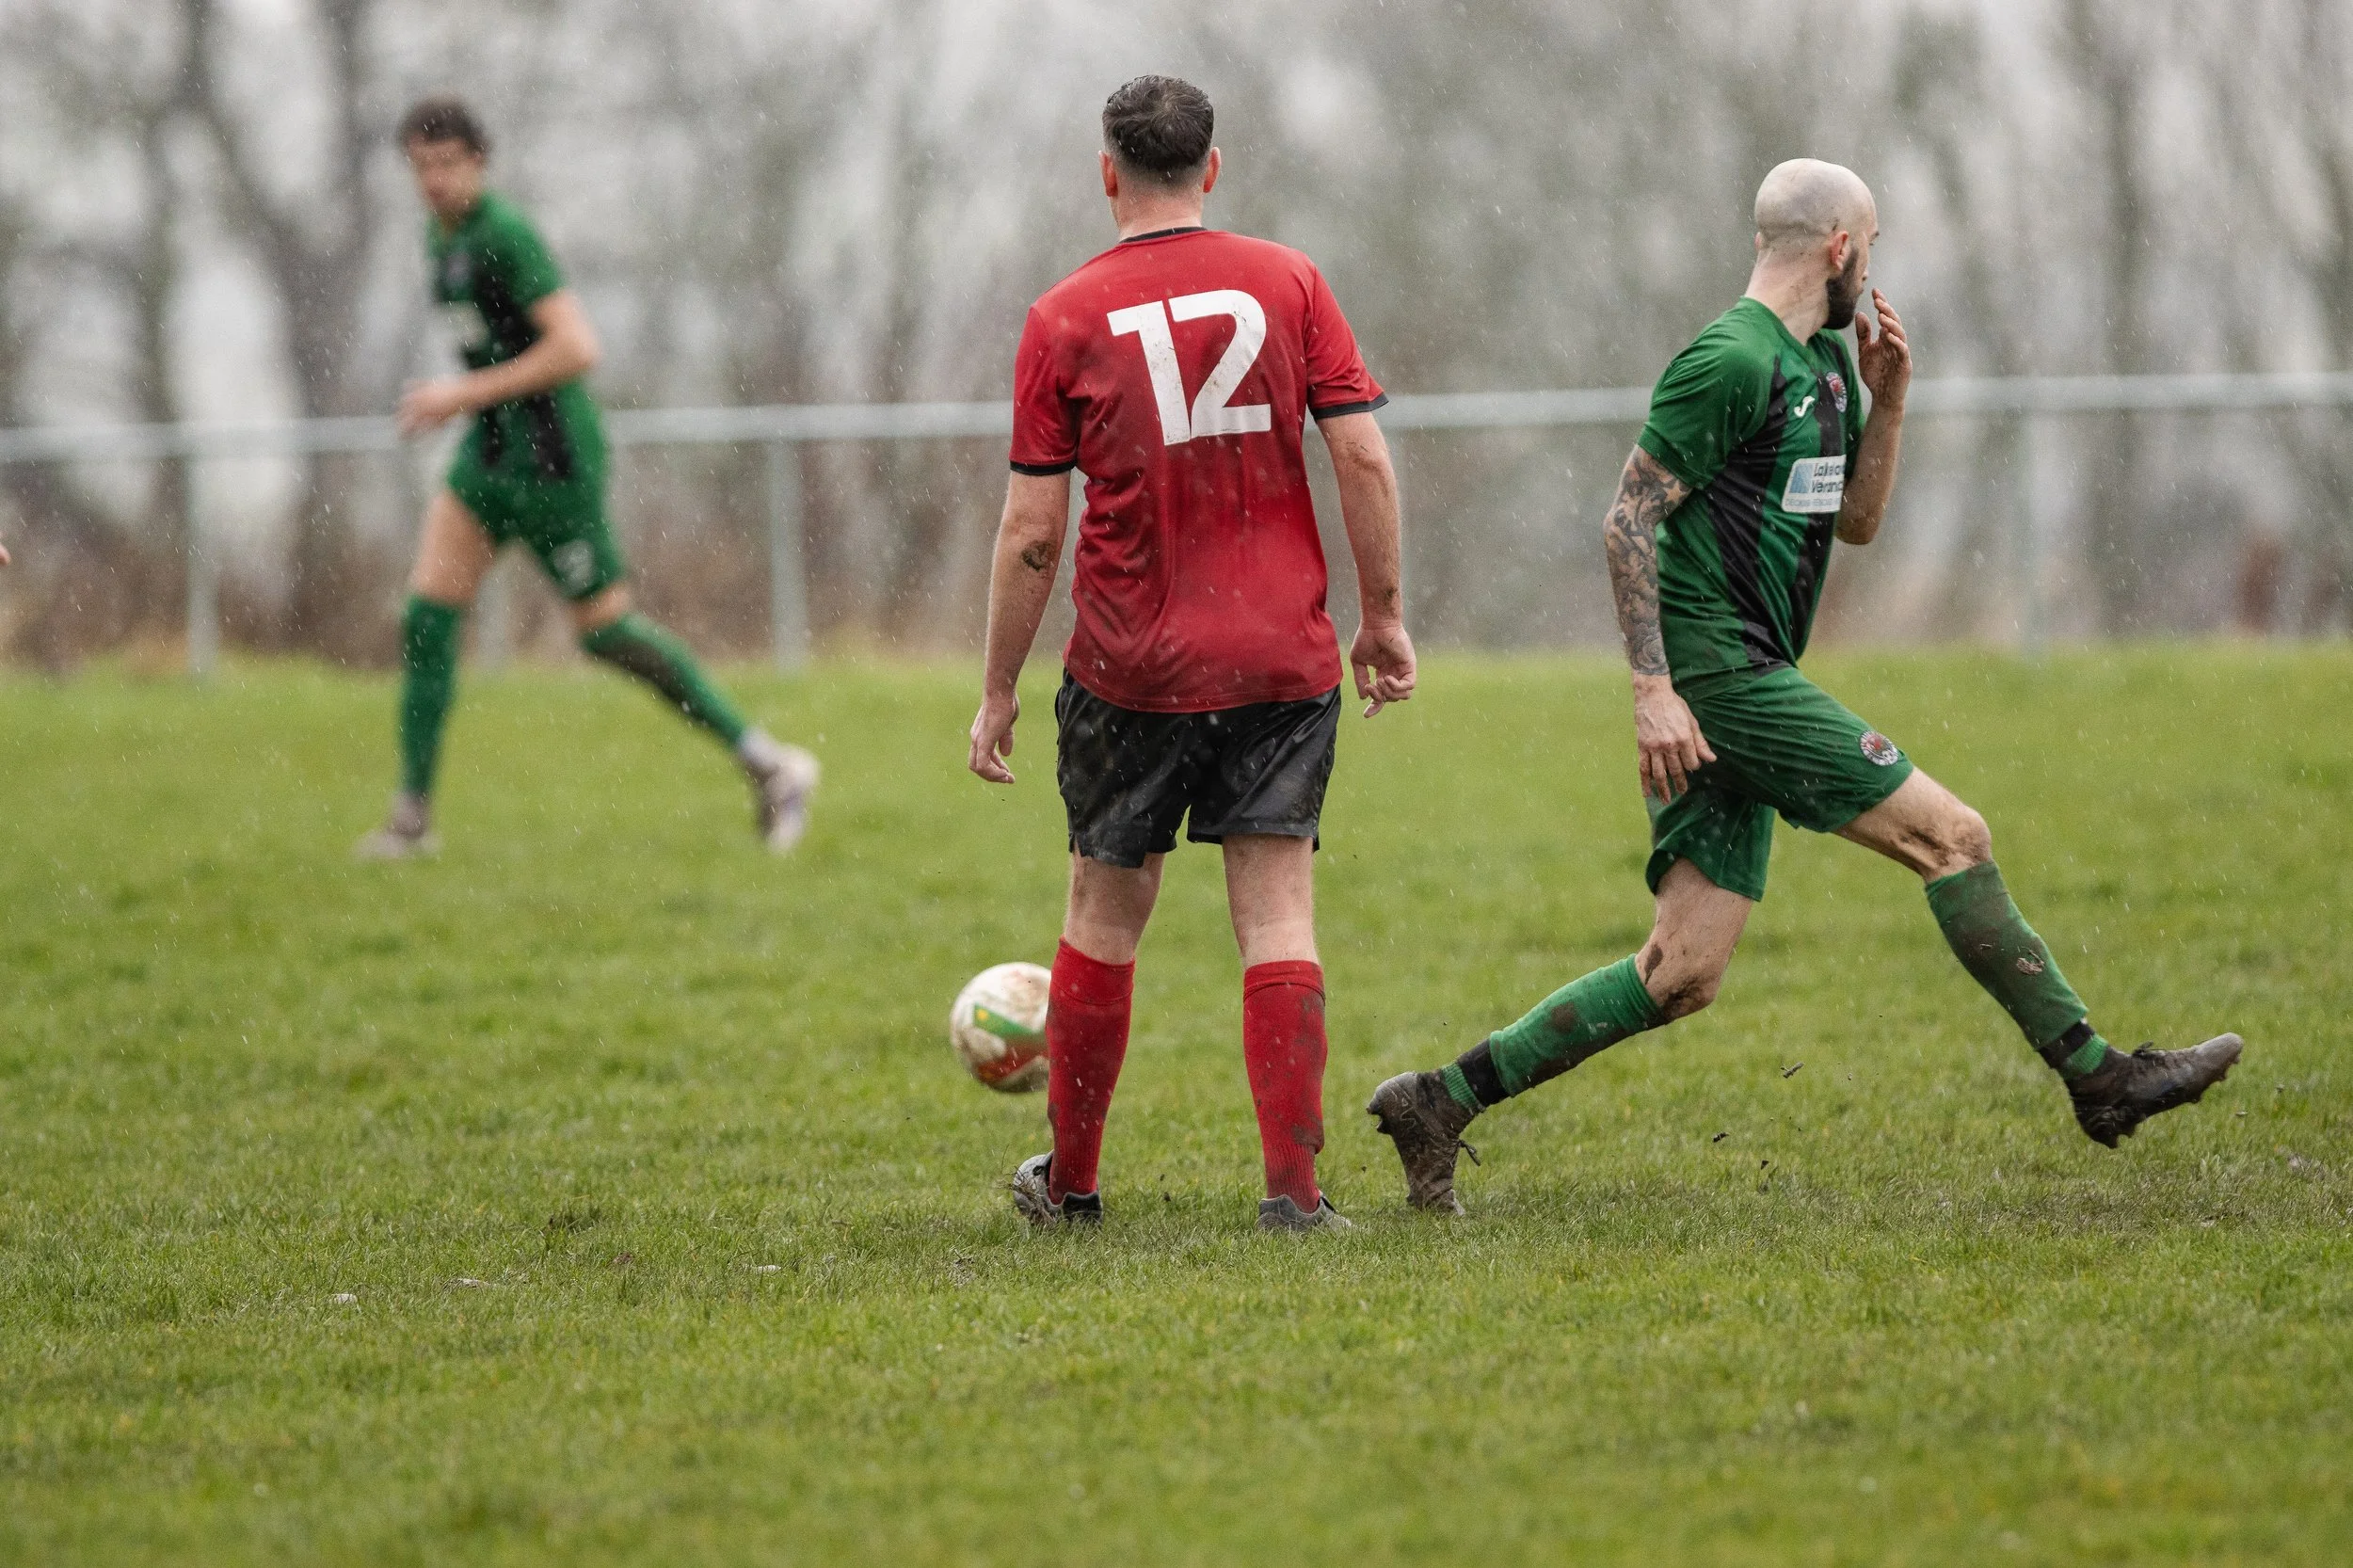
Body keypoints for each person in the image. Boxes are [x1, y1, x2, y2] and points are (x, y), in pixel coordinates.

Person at [1368, 159, 2242, 1214]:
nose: (1871, 267)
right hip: (1722, 682)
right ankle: (2100, 1076)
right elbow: (1626, 517)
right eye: (1869, 246)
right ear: (1840, 249)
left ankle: (1437, 1100)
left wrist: (1891, 404)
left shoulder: (1824, 364)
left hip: (1742, 680)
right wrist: (1654, 688)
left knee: (1681, 968)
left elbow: (1858, 524)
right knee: (1952, 838)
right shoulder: (1727, 361)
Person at [968, 75, 1416, 1233]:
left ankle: (1070, 1187)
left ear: (1106, 171)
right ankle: (1295, 1195)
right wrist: (1383, 615)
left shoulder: (1062, 316)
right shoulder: (1289, 280)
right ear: (1210, 169)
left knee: (1103, 917)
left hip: (1130, 669)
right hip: (1280, 661)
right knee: (1276, 917)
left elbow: (1030, 532)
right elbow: (1362, 461)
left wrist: (998, 689)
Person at [357, 97, 817, 859]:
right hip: (490, 457)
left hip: (552, 463)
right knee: (428, 619)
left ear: (479, 160)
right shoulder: (440, 240)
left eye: (447, 164)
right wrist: (473, 410)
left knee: (605, 634)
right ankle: (411, 818)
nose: (433, 181)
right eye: (420, 167)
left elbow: (577, 347)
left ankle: (769, 763)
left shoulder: (505, 235)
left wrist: (459, 395)